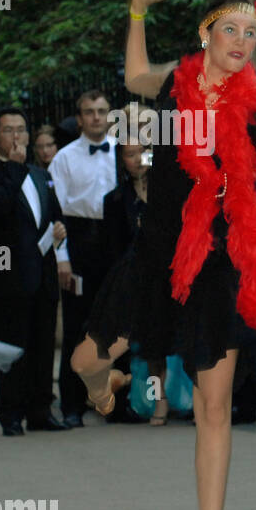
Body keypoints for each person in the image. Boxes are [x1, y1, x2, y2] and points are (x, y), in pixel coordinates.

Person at [70, 0, 256, 510]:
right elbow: (132, 78)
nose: (242, 39)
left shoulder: (253, 102)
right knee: (83, 359)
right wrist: (138, 10)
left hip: (219, 264)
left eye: (251, 33)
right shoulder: (175, 82)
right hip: (153, 258)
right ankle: (103, 379)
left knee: (213, 408)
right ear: (207, 34)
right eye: (231, 28)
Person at [0, 107, 69, 435]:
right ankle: (10, 413)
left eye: (21, 130)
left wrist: (60, 228)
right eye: (8, 131)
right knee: (14, 346)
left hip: (43, 273)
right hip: (8, 273)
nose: (16, 137)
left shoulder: (40, 175)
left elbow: (52, 213)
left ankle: (40, 410)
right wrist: (12, 169)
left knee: (42, 346)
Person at [49, 90, 120, 428]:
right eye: (89, 111)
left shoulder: (123, 151)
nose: (95, 117)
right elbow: (56, 215)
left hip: (116, 244)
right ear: (78, 118)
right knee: (79, 327)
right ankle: (72, 405)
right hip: (78, 244)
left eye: (101, 110)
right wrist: (62, 258)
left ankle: (115, 403)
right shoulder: (63, 158)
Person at [102, 138, 168, 425]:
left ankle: (197, 400)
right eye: (131, 154)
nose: (139, 159)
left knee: (185, 340)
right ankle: (157, 403)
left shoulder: (168, 191)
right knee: (150, 346)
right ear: (122, 160)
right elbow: (114, 250)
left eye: (144, 151)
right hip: (138, 281)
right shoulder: (115, 200)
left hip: (172, 274)